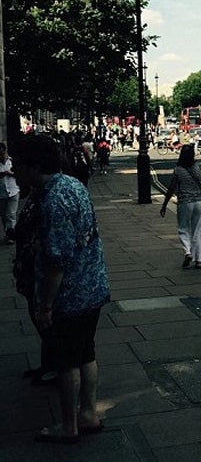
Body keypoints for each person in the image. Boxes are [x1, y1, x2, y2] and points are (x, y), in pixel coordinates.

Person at [12, 135, 110, 444]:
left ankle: (68, 426)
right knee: (86, 353)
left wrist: (45, 306)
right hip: (92, 286)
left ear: (34, 166)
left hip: (69, 296)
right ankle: (88, 414)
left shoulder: (53, 200)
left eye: (19, 166)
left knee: (66, 362)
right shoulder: (73, 184)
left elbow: (56, 262)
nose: (14, 171)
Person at [0, 142, 19, 244]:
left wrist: (9, 173)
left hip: (13, 190)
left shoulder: (11, 161)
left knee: (11, 214)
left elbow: (20, 173)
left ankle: (11, 235)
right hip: (1, 192)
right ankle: (8, 233)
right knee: (4, 215)